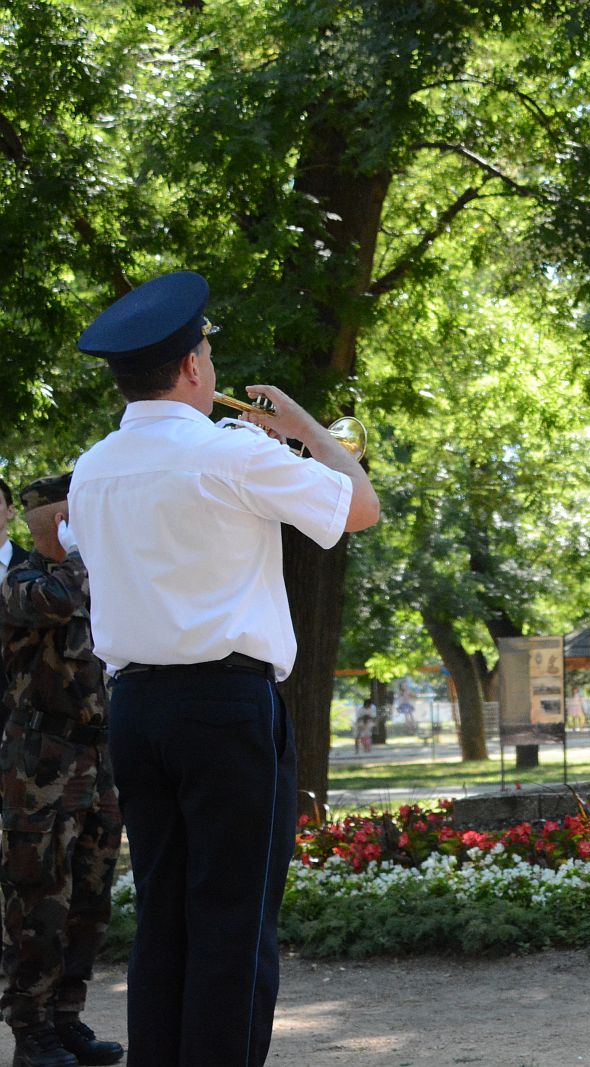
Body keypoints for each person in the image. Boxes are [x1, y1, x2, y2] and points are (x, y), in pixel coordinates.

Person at [68, 270, 381, 1067]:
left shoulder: (92, 467)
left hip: (136, 705)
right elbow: (360, 506)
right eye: (206, 347)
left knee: (165, 916)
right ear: (192, 367)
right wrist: (306, 426)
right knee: (234, 925)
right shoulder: (232, 452)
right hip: (225, 705)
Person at [0, 474, 124, 1067]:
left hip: (98, 760)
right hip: (39, 765)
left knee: (89, 898)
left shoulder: (99, 579)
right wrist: (79, 554)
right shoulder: (20, 581)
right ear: (54, 525)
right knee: (38, 899)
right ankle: (31, 1032)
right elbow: (57, 601)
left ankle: (66, 1017)